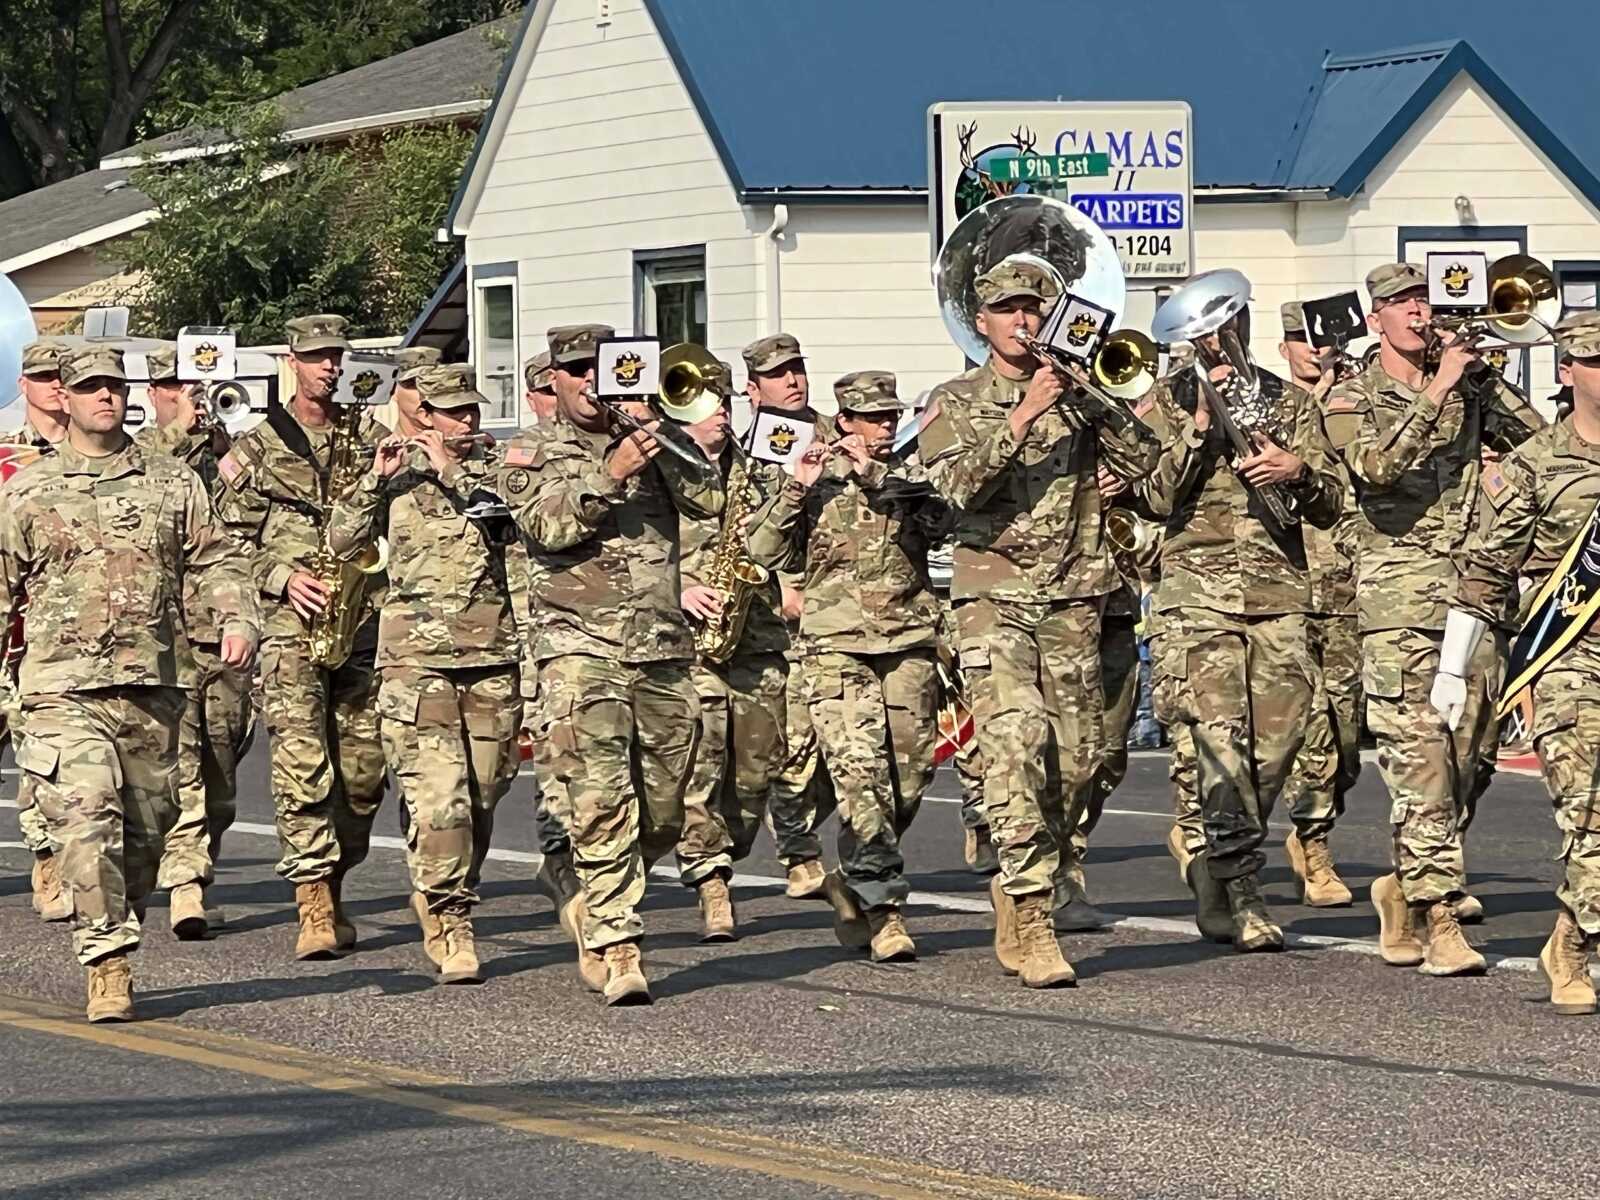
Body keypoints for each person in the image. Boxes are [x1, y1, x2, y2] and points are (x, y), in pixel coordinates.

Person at [920, 259, 1160, 987]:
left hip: (1076, 596)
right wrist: (1024, 415)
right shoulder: (954, 399)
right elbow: (952, 488)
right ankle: (1031, 909)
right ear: (981, 322)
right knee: (1016, 745)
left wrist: (1091, 396)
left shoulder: (1077, 392)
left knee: (1080, 762)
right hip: (992, 597)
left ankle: (1029, 878)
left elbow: (1147, 461)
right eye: (1008, 310)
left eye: (1034, 309)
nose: (1022, 321)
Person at [0, 345, 257, 1022]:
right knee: (86, 821)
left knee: (146, 837)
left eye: (114, 386)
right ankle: (107, 962)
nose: (104, 397)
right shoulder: (28, 489)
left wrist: (235, 615)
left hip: (155, 684)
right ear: (66, 397)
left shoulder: (172, 481)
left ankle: (121, 914)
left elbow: (217, 558)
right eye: (90, 387)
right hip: (61, 689)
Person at [1321, 262, 1544, 976]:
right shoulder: (1350, 393)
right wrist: (1439, 386)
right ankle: (1441, 916)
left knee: (1468, 764)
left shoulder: (1467, 383)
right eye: (1404, 303)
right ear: (1376, 318)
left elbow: (1540, 444)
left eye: (1425, 300)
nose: (1419, 313)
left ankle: (1405, 886)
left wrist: (1480, 378)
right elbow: (1374, 468)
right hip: (1398, 604)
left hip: (1475, 597)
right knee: (1420, 766)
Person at [499, 323, 723, 1005]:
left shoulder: (655, 436)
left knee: (663, 810)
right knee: (601, 797)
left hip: (660, 644)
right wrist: (612, 471)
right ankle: (617, 941)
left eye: (603, 370)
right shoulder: (530, 449)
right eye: (576, 371)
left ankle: (590, 890)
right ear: (555, 379)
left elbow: (711, 500)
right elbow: (545, 527)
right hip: (576, 647)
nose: (591, 383)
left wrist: (663, 436)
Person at [1139, 284, 1345, 951]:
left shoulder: (1289, 402)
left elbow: (1332, 503)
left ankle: (1216, 855)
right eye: (1202, 332)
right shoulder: (1165, 402)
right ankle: (1240, 886)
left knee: (1278, 746)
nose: (1216, 341)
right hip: (1196, 598)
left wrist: (1298, 472)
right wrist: (1200, 426)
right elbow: (1153, 496)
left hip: (1278, 592)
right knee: (1219, 744)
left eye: (1227, 325)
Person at [329, 364, 520, 984]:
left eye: (472, 410)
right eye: (453, 412)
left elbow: (513, 529)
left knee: (483, 796)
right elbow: (341, 542)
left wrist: (452, 470)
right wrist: (373, 481)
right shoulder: (395, 474)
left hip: (491, 657)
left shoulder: (502, 468)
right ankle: (449, 917)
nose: (465, 421)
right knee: (440, 800)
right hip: (414, 663)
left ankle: (445, 885)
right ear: (425, 415)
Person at [1431, 310, 1600, 1013]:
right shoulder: (1537, 463)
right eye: (1597, 361)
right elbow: (1486, 571)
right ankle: (1579, 953)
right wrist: (1452, 667)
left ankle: (1569, 933)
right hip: (1571, 657)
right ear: (1568, 371)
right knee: (1590, 812)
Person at [751, 371, 948, 961]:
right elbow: (760, 551)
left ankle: (856, 871)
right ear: (845, 422)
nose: (884, 427)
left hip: (909, 639)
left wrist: (878, 477)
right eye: (872, 418)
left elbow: (946, 523)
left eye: (890, 417)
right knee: (861, 776)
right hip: (835, 644)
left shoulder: (912, 472)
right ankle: (885, 909)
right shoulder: (811, 474)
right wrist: (796, 489)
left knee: (910, 777)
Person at [215, 314, 390, 961]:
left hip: (360, 620)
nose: (329, 367)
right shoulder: (259, 446)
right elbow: (227, 542)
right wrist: (283, 577)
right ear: (293, 361)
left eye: (336, 356)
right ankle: (312, 901)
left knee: (364, 775)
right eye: (317, 356)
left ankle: (335, 880)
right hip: (289, 627)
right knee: (302, 764)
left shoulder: (369, 438)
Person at [134, 344, 257, 936]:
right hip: (165, 634)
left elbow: (257, 514)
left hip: (224, 630)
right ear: (154, 393)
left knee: (221, 769)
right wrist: (181, 433)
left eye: (198, 387)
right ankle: (186, 882)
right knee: (177, 764)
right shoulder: (139, 452)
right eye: (177, 387)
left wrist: (224, 446)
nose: (191, 398)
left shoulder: (228, 446)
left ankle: (195, 859)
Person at [666, 357, 790, 940]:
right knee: (702, 758)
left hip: (756, 636)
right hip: (688, 642)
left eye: (726, 402)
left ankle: (726, 847)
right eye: (708, 404)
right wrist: (677, 587)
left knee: (756, 771)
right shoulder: (661, 469)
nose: (721, 413)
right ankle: (710, 878)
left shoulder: (757, 466)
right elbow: (632, 549)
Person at [739, 333, 837, 898]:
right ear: (754, 389)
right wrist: (782, 588)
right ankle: (799, 854)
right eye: (778, 374)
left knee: (843, 750)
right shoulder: (748, 451)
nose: (793, 381)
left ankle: (802, 831)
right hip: (778, 616)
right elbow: (747, 532)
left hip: (841, 607)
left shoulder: (835, 433)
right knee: (792, 745)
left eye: (797, 369)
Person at [1274, 302, 1358, 906]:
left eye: (1321, 338)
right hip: (1288, 584)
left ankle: (1312, 827)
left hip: (1349, 582)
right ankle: (1314, 845)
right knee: (1309, 728)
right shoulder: (1268, 406)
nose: (1314, 349)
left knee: (1347, 733)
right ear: (1284, 348)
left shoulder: (1357, 401)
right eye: (1300, 339)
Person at [508, 348, 578, 924]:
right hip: (529, 626)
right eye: (549, 393)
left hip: (580, 622)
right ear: (534, 396)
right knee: (552, 748)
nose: (559, 402)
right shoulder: (522, 455)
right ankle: (560, 857)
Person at [4, 338, 71, 921]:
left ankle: (49, 864)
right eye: (44, 376)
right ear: (22, 382)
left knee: (46, 758)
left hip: (52, 637)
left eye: (61, 375)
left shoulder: (92, 456)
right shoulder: (5, 453)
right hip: (5, 624)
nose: (54, 386)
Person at [389, 347, 445, 438]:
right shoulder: (375, 442)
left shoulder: (462, 440)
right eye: (413, 384)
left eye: (433, 383)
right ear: (393, 391)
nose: (425, 392)